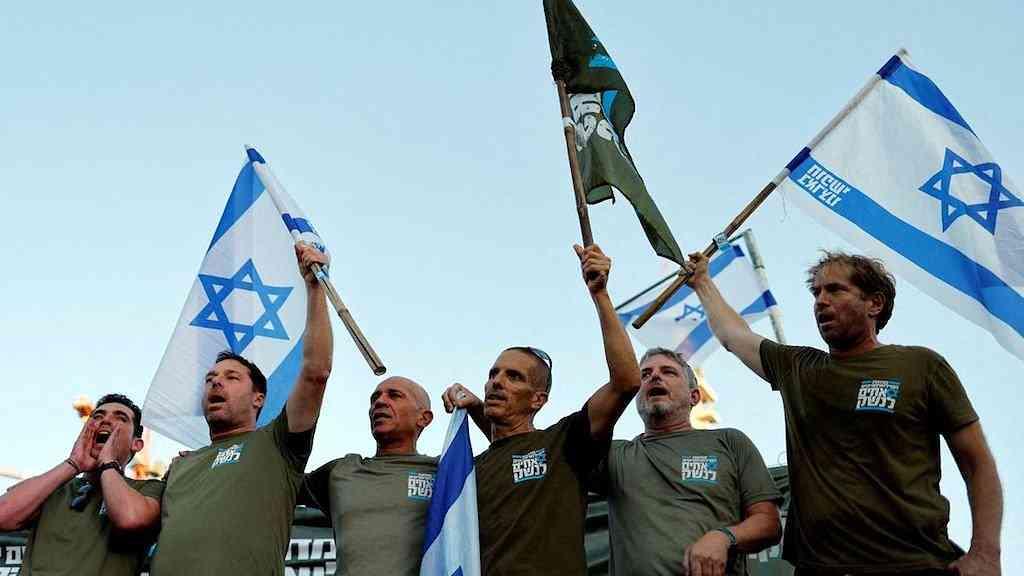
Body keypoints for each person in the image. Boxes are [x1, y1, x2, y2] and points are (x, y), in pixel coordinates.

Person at [684, 250, 1002, 575]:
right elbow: (734, 335)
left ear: (874, 304)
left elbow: (976, 462)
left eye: (835, 290)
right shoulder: (799, 368)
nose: (821, 301)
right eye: (816, 292)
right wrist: (703, 282)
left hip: (912, 563)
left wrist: (986, 553)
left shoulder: (921, 366)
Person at [443, 244, 640, 576]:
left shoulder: (564, 442)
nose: (496, 382)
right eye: (493, 374)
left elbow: (626, 382)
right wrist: (476, 407)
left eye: (514, 377)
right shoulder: (470, 469)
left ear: (538, 400)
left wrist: (601, 295)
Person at [149, 242, 333, 575]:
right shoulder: (180, 466)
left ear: (258, 398)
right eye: (210, 379)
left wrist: (315, 288)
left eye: (231, 377)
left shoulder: (279, 444)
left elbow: (316, 371)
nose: (216, 383)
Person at [592, 347, 781, 576]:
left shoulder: (730, 442)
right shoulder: (613, 456)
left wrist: (724, 537)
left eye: (668, 372)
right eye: (645, 374)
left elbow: (769, 523)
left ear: (694, 396)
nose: (654, 376)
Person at [0, 394, 163, 575]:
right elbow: (3, 515)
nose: (105, 420)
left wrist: (108, 463)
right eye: (98, 416)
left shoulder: (148, 489)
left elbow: (130, 519)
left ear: (136, 444)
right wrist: (73, 463)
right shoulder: (55, 488)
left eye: (120, 418)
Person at [300, 376, 436, 575]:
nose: (379, 402)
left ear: (424, 418)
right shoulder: (341, 471)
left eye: (394, 395)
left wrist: (475, 408)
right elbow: (276, 485)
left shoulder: (444, 471)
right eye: (374, 398)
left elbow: (490, 466)